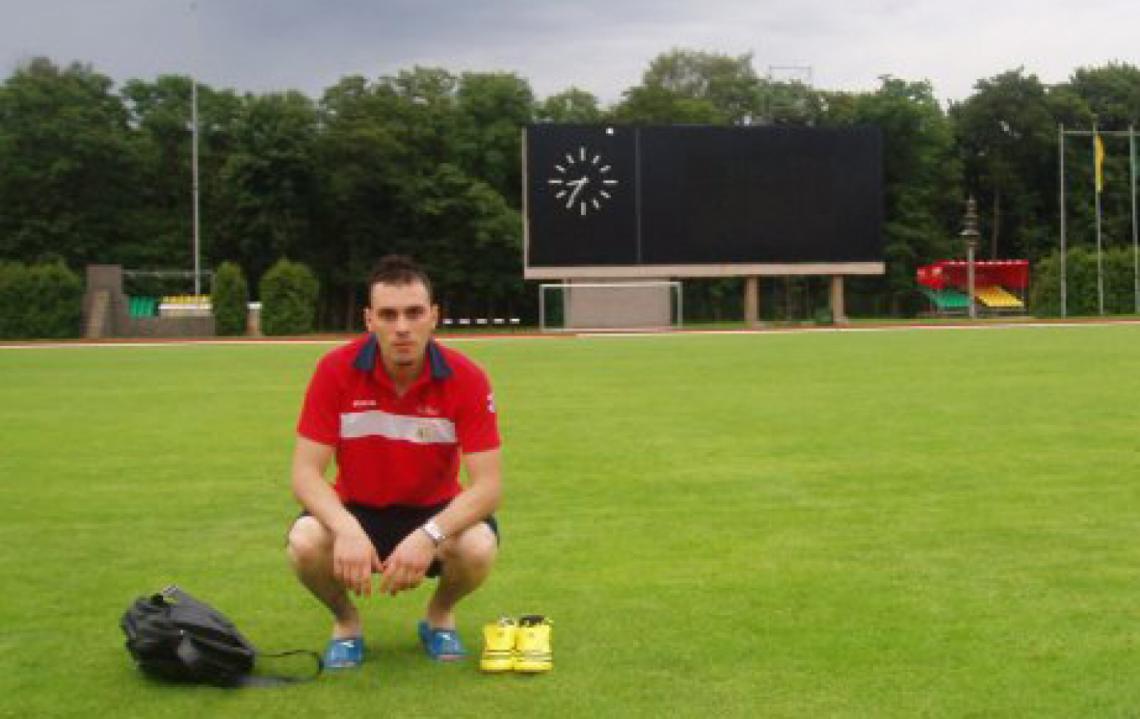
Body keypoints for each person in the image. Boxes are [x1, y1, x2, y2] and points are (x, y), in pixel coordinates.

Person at [286, 255, 502, 669]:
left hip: (435, 510)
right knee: (304, 543)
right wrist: (346, 528)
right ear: (369, 320)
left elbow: (488, 487)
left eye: (414, 312)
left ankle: (439, 617)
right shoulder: (335, 370)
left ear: (434, 316)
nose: (402, 327)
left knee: (478, 547)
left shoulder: (467, 378)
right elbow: (305, 474)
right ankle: (346, 624)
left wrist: (428, 536)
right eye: (388, 314)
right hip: (357, 508)